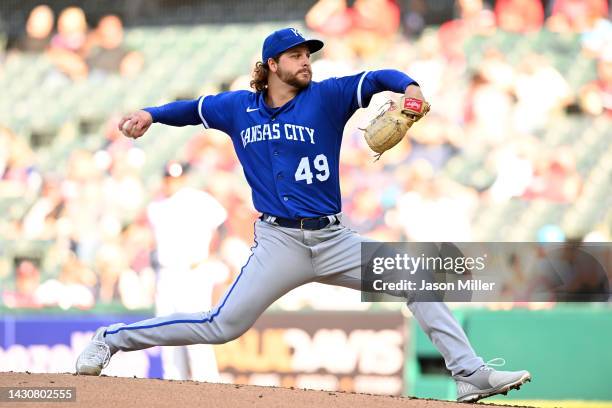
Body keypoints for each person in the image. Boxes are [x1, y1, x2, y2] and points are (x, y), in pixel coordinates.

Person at [75, 27, 531, 403]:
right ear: (272, 65)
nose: (306, 61)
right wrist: (150, 115)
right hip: (279, 243)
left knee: (414, 281)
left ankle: (468, 373)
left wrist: (409, 88)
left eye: (307, 54)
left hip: (334, 240)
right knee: (223, 326)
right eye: (295, 55)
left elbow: (376, 78)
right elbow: (190, 111)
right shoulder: (238, 107)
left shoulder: (327, 97)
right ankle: (111, 338)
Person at [146, 162, 228, 381]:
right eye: (168, 179)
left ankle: (208, 384)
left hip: (193, 273)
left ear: (183, 179)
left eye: (176, 179)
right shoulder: (156, 206)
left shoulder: (198, 199)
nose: (172, 183)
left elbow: (222, 224)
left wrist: (214, 253)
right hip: (166, 274)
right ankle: (173, 385)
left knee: (196, 332)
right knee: (165, 332)